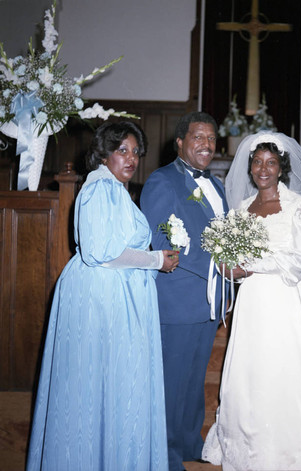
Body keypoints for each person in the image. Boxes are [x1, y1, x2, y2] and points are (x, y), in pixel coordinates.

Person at [26, 121, 178, 470]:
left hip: (113, 297)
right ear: (104, 153)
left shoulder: (113, 188)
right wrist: (156, 259)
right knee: (95, 386)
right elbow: (100, 252)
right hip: (101, 299)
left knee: (110, 386)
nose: (130, 159)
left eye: (135, 152)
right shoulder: (99, 189)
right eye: (121, 150)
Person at [202, 131, 301, 471]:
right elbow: (229, 258)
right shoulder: (243, 208)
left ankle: (290, 450)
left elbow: (298, 260)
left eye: (271, 163)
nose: (263, 169)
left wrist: (249, 266)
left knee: (283, 368)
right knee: (251, 369)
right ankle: (247, 445)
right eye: (257, 162)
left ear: (281, 167)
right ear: (250, 167)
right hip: (252, 303)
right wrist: (228, 268)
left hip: (284, 300)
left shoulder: (298, 206)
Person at [140, 111, 228, 471]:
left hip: (207, 301)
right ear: (180, 143)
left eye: (211, 139)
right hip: (177, 300)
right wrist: (215, 267)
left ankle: (191, 442)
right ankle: (165, 454)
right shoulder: (162, 181)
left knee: (194, 380)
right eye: (198, 138)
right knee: (172, 383)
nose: (206, 145)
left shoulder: (218, 185)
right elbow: (160, 241)